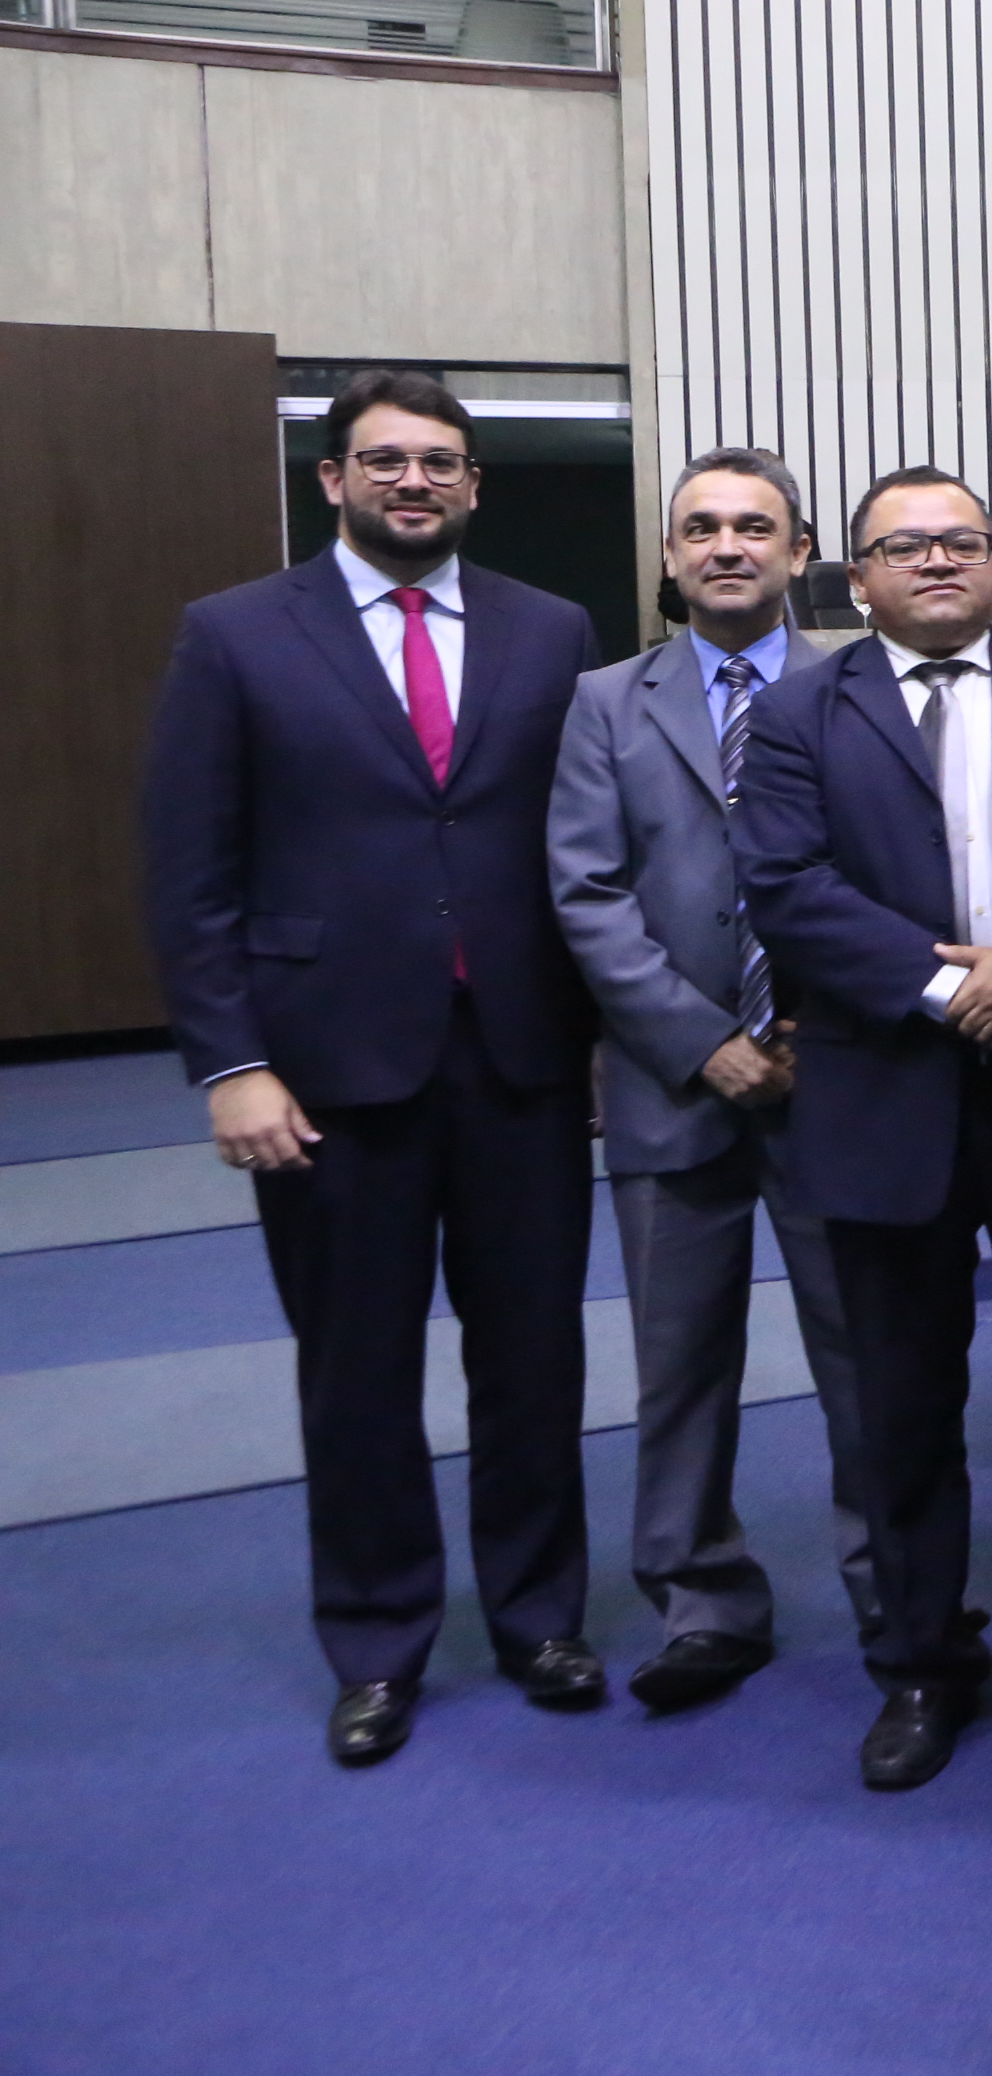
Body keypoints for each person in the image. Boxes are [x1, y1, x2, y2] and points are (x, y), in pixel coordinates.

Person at [142, 368, 605, 1765]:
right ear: (333, 478)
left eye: (441, 462)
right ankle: (377, 1639)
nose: (415, 481)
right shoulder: (233, 634)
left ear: (473, 486)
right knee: (356, 1372)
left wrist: (600, 1041)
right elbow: (191, 871)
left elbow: (580, 845)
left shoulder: (552, 629)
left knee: (536, 1362)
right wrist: (230, 1061)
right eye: (386, 459)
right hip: (324, 1070)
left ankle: (540, 1617)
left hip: (522, 1057)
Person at [734, 465, 992, 1791]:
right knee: (901, 1402)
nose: (941, 561)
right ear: (856, 577)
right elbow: (785, 884)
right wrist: (956, 986)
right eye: (907, 547)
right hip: (885, 1088)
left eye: (964, 540)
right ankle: (921, 1663)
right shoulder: (801, 709)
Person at [548, 446, 878, 1715]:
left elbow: (889, 874)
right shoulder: (604, 703)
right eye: (702, 528)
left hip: (836, 1075)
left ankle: (893, 1582)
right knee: (680, 1364)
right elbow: (586, 893)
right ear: (671, 555)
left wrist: (808, 1022)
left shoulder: (858, 686)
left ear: (802, 552)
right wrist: (702, 1039)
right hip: (669, 1080)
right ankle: (701, 1601)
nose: (728, 546)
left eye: (754, 526)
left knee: (866, 1355)